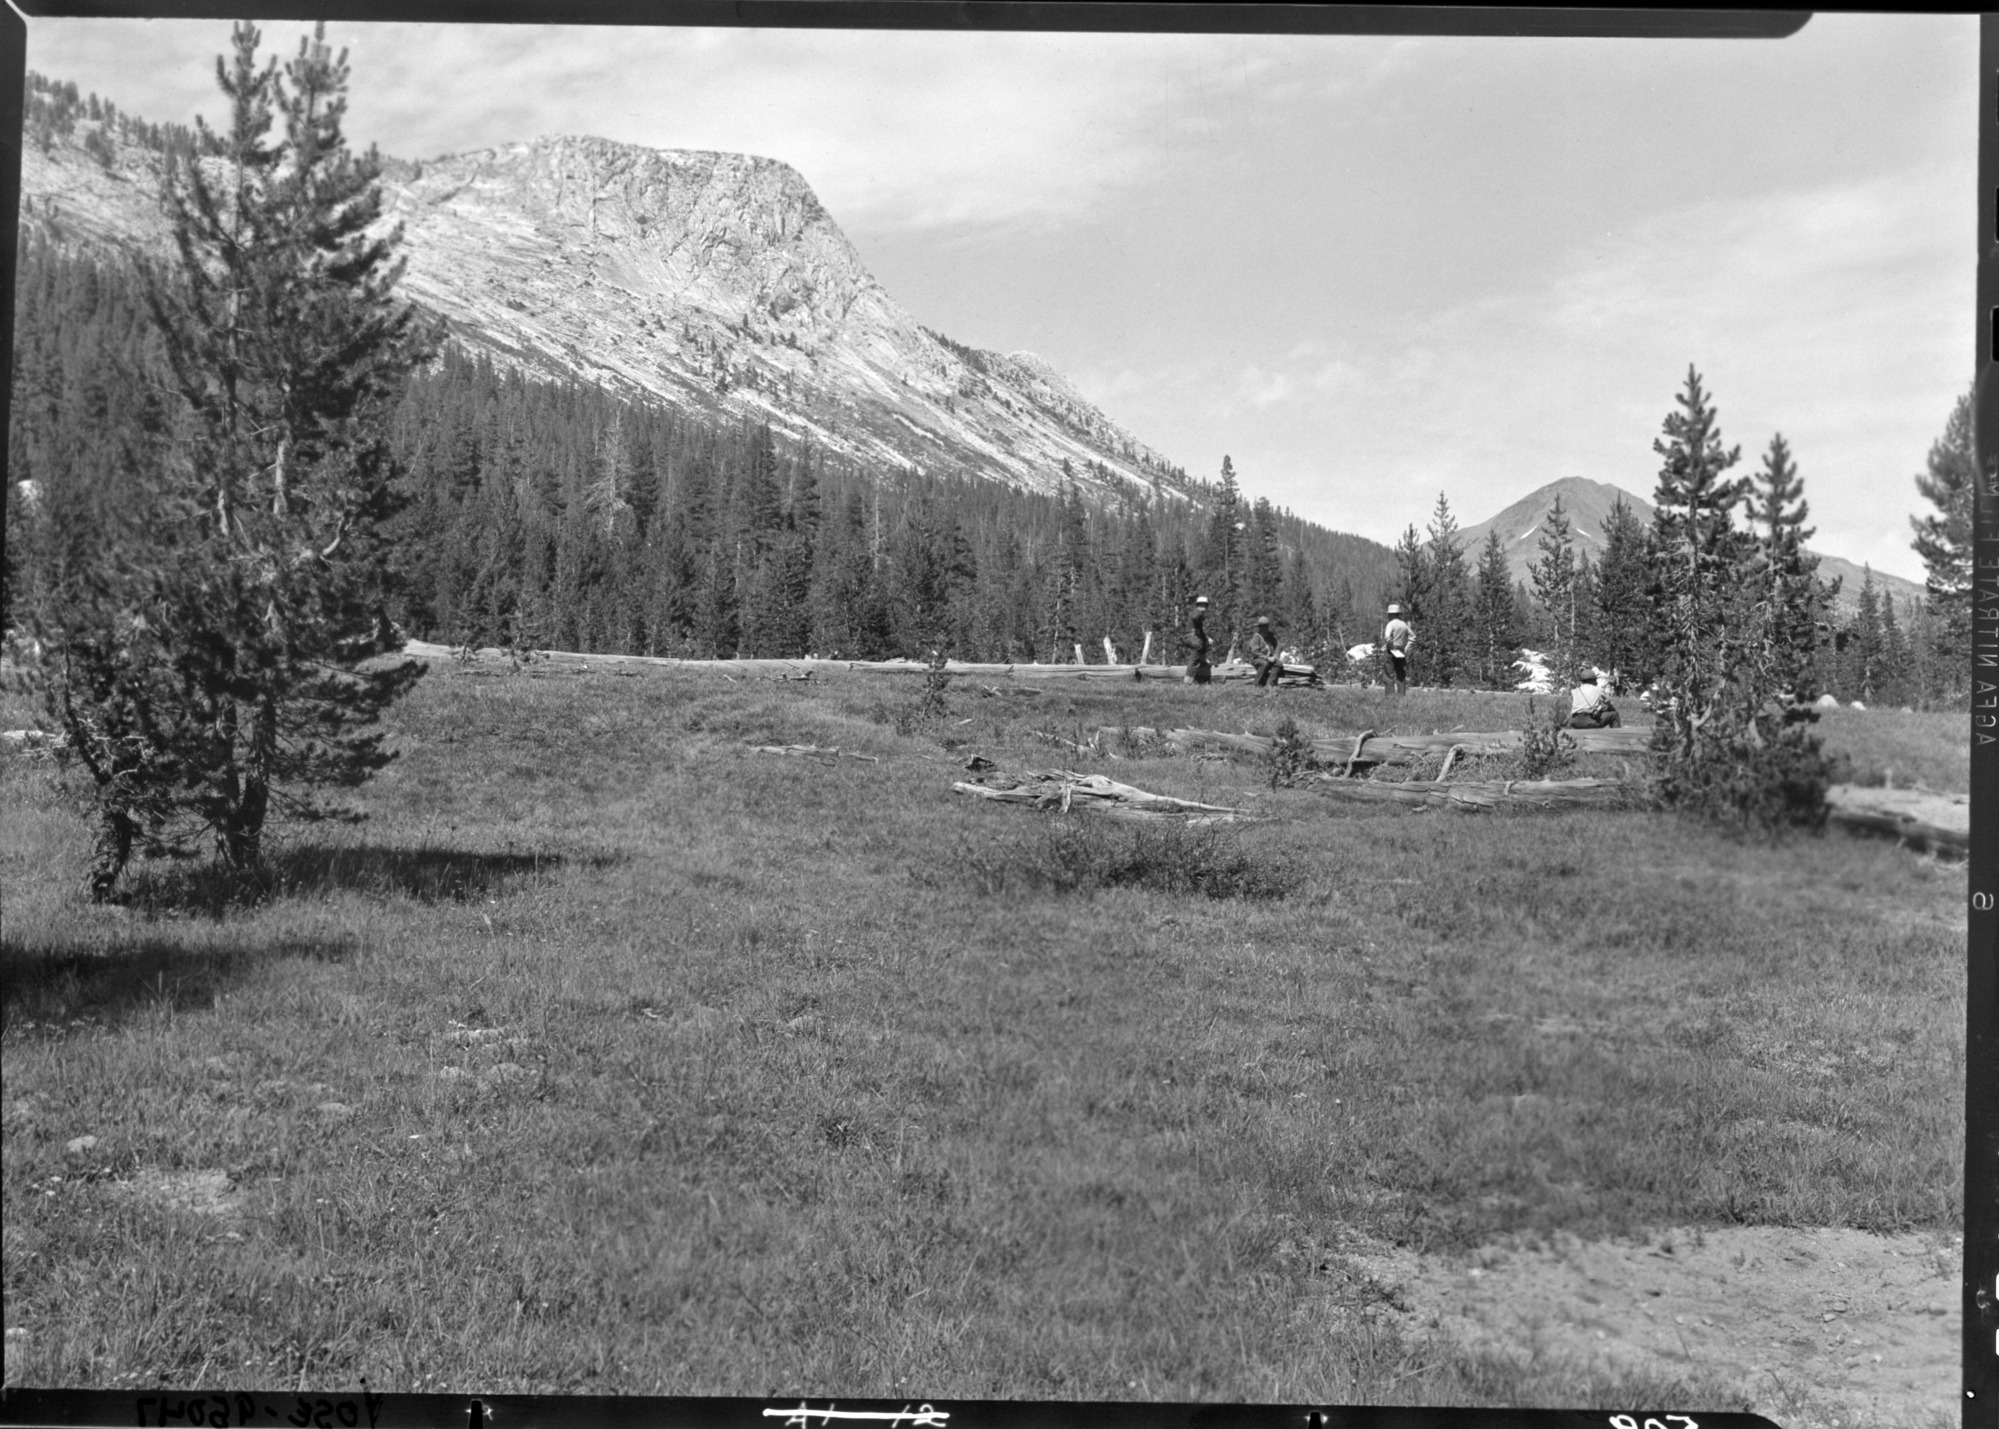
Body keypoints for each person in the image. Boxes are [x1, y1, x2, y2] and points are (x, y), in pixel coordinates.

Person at [1381, 603, 1414, 696]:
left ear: (1391, 614)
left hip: (1391, 650)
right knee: (1401, 673)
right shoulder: (1403, 624)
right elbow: (1412, 636)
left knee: (1388, 674)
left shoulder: (1390, 624)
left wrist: (1390, 645)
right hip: (1401, 650)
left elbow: (1387, 637)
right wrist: (1407, 646)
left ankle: (1390, 696)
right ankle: (1401, 695)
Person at [1183, 596, 1214, 685]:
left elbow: (1202, 633)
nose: (1203, 607)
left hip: (1196, 638)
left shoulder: (1200, 616)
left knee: (1203, 648)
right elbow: (1194, 616)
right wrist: (1201, 617)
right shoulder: (1196, 613)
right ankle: (1187, 681)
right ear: (1198, 605)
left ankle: (1202, 679)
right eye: (1202, 605)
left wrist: (1208, 640)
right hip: (1190, 637)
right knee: (1197, 651)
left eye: (1205, 605)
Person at [1251, 614, 1283, 688]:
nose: (1265, 628)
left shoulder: (1270, 635)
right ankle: (1256, 683)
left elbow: (1278, 645)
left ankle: (1270, 683)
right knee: (1264, 664)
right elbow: (1255, 652)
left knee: (1279, 663)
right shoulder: (1256, 637)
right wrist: (1267, 658)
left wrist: (1276, 656)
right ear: (1260, 627)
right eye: (1263, 626)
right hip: (1257, 659)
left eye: (1266, 626)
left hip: (1270, 657)